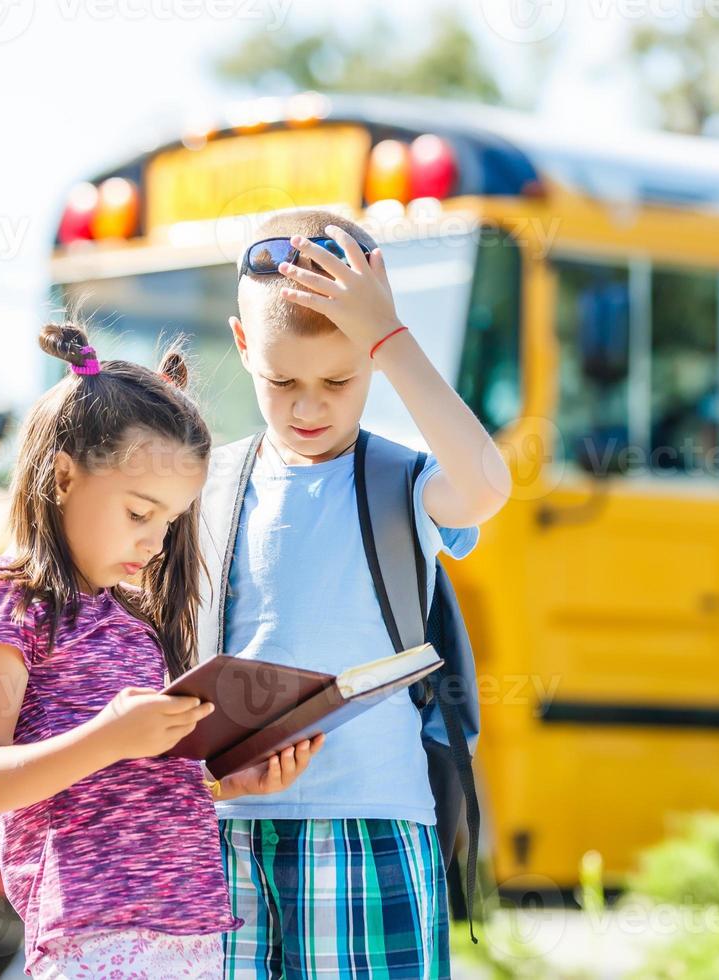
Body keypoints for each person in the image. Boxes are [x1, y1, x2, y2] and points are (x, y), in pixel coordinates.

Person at [0, 321, 323, 979]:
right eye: (140, 513)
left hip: (190, 933)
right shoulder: (8, 601)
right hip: (93, 940)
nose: (156, 542)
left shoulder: (132, 618)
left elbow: (130, 780)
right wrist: (111, 736)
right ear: (62, 477)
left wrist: (230, 780)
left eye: (169, 522)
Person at [211, 209, 511, 978]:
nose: (309, 408)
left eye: (338, 380)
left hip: (375, 824)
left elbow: (485, 483)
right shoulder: (204, 486)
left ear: (373, 363)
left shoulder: (403, 482)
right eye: (283, 383)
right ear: (244, 347)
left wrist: (389, 337)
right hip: (221, 832)